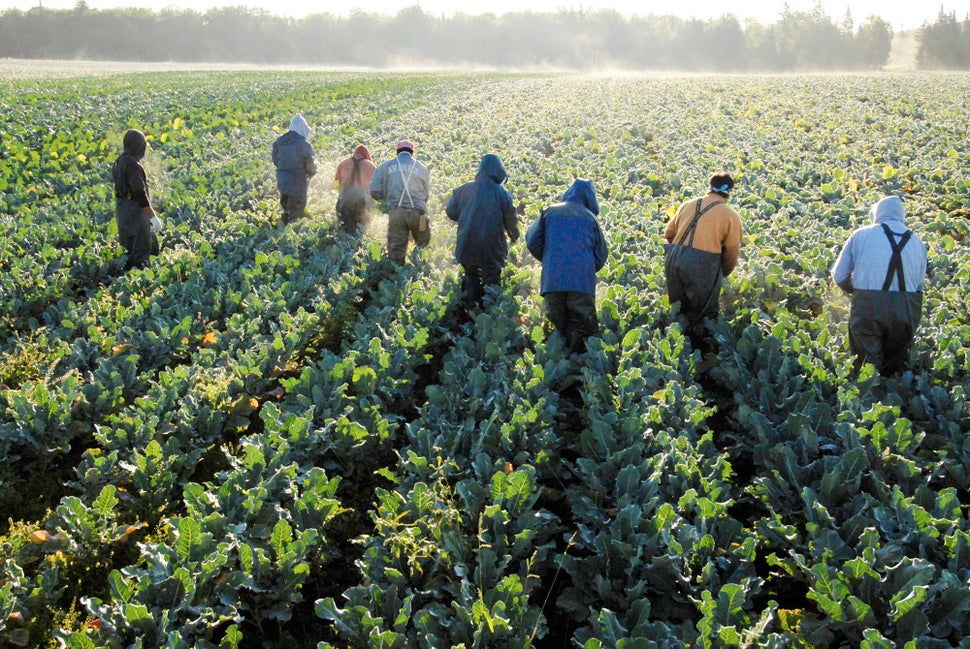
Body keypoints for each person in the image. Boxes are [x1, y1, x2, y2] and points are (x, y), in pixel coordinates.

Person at [831, 196, 926, 376]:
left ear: (877, 213)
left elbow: (839, 275)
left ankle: (870, 398)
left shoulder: (861, 234)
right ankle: (894, 397)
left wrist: (855, 291)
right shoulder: (918, 243)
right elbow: (919, 287)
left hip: (868, 307)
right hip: (907, 310)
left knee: (867, 366)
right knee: (895, 366)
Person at [525, 179, 608, 354]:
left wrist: (549, 259)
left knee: (557, 327)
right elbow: (600, 255)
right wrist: (586, 270)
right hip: (581, 282)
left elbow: (532, 241)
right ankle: (579, 366)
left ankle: (558, 366)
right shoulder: (590, 217)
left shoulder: (549, 211)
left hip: (552, 279)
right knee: (583, 327)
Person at [663, 172, 743, 341]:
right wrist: (722, 272)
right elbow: (732, 251)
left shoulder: (688, 204)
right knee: (703, 313)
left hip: (674, 257)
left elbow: (669, 233)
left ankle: (674, 344)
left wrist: (680, 251)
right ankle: (697, 350)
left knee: (678, 308)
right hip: (702, 263)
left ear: (709, 187)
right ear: (729, 192)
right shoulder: (730, 215)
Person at [446, 154, 519, 308]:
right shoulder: (502, 193)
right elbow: (510, 220)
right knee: (491, 279)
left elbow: (450, 211)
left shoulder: (462, 190)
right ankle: (489, 313)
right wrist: (514, 236)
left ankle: (469, 311)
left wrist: (467, 216)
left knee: (470, 275)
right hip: (492, 246)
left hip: (467, 242)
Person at [370, 140, 431, 264]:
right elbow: (426, 194)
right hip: (420, 214)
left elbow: (374, 190)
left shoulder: (385, 166)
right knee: (423, 244)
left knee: (396, 249)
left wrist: (384, 200)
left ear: (397, 152)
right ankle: (420, 273)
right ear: (412, 152)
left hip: (396, 213)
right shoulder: (422, 168)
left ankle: (396, 276)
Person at [112, 129, 160, 270]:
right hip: (135, 213)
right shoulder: (132, 165)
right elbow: (139, 194)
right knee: (140, 251)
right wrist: (153, 217)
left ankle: (127, 272)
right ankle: (139, 276)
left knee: (128, 248)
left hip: (124, 212)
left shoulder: (119, 161)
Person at [272, 114, 317, 224]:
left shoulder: (279, 142)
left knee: (286, 206)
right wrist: (313, 172)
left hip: (282, 181)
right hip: (297, 183)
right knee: (296, 211)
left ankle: (283, 224)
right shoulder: (303, 145)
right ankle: (292, 235)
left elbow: (275, 160)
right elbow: (309, 166)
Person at [334, 144, 377, 234]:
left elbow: (336, 185)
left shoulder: (343, 163)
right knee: (361, 227)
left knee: (346, 225)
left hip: (345, 204)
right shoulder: (370, 166)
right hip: (363, 205)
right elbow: (376, 188)